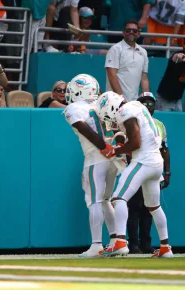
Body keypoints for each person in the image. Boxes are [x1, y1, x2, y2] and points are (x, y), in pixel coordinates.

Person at [95, 92, 174, 258]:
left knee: (118, 198)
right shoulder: (136, 107)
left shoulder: (126, 111)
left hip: (143, 161)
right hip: (155, 163)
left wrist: (116, 150)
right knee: (153, 206)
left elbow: (136, 142)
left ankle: (120, 242)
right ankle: (166, 247)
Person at [63, 74, 118, 258]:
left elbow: (82, 127)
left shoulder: (75, 108)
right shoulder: (102, 102)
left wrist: (104, 148)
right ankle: (116, 242)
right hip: (113, 158)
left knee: (94, 199)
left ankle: (96, 245)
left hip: (96, 156)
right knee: (106, 200)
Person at [126, 92, 171, 254]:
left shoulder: (159, 124)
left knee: (149, 208)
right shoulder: (131, 122)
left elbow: (165, 149)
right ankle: (132, 244)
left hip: (154, 168)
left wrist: (167, 172)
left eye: (151, 104)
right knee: (134, 207)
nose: (148, 107)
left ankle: (146, 243)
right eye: (144, 103)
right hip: (137, 166)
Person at [105, 20, 150, 102]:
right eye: (128, 30)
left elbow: (144, 79)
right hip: (114, 102)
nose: (131, 32)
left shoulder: (143, 52)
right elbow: (111, 74)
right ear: (123, 33)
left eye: (135, 31)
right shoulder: (115, 49)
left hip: (133, 103)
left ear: (139, 34)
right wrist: (121, 98)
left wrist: (147, 99)